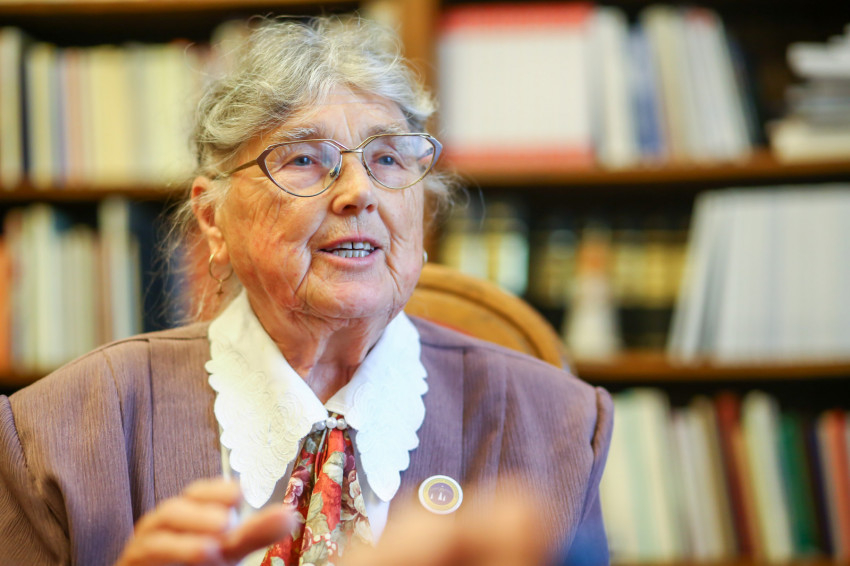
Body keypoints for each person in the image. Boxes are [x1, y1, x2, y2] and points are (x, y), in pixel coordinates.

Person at [0, 15, 613, 566]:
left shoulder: (562, 427)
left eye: (389, 159)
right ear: (213, 219)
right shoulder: (47, 435)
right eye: (303, 159)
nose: (359, 192)